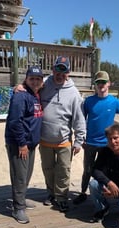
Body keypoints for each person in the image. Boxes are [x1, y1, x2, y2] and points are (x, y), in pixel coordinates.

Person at [73, 70, 119, 206]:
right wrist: (80, 137)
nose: (101, 85)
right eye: (98, 82)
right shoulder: (88, 101)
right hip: (89, 142)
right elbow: (81, 120)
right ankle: (83, 192)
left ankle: (102, 193)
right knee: (88, 170)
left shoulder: (114, 102)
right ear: (95, 85)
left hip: (107, 144)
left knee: (104, 171)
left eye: (103, 82)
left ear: (109, 84)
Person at [39, 56, 86, 212]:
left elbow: (79, 118)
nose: (60, 74)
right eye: (57, 70)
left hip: (64, 140)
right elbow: (29, 86)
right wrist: (19, 86)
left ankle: (62, 197)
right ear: (52, 70)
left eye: (63, 71)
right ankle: (51, 193)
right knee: (48, 169)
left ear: (68, 72)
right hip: (44, 139)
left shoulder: (74, 93)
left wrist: (79, 140)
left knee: (63, 170)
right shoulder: (43, 84)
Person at [5, 66, 44, 224]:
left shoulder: (35, 94)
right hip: (19, 144)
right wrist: (22, 144)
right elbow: (15, 122)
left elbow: (55, 80)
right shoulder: (21, 95)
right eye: (32, 78)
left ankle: (21, 199)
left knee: (26, 175)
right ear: (26, 79)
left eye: (38, 79)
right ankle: (18, 208)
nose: (35, 81)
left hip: (31, 144)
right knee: (19, 176)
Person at [89, 124, 119, 223]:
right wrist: (109, 183)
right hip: (109, 185)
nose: (113, 142)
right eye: (109, 139)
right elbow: (95, 170)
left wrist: (116, 193)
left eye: (116, 138)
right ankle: (102, 208)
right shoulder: (104, 151)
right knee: (93, 184)